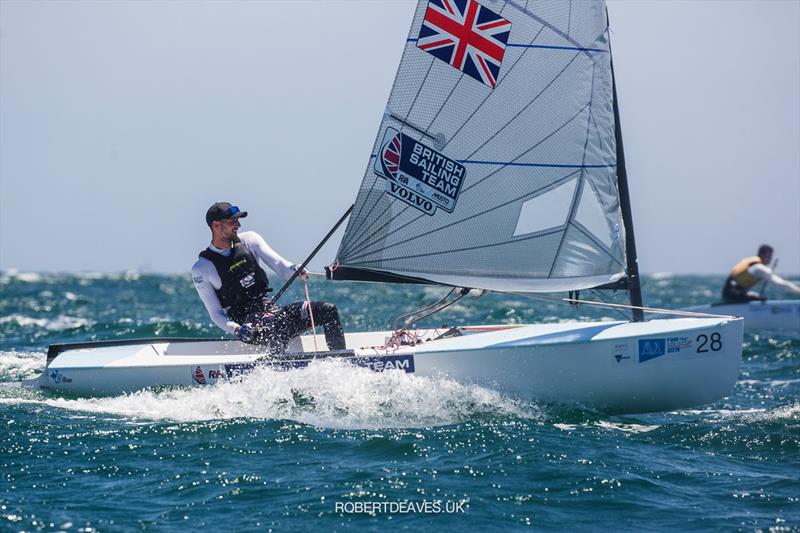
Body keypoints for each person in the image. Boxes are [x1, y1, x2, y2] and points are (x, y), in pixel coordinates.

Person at [192, 202, 346, 353]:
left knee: (327, 310)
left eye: (238, 220)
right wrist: (237, 330)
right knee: (276, 323)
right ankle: (273, 370)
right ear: (216, 226)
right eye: (233, 221)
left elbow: (280, 266)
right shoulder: (202, 268)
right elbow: (216, 314)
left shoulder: (250, 240)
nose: (238, 225)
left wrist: (295, 269)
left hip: (271, 310)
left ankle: (341, 361)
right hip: (247, 325)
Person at [721, 244, 800, 303]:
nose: (770, 259)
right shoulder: (760, 268)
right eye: (769, 256)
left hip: (728, 294)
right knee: (761, 298)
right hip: (733, 294)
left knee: (756, 296)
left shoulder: (751, 262)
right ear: (763, 255)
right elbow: (781, 284)